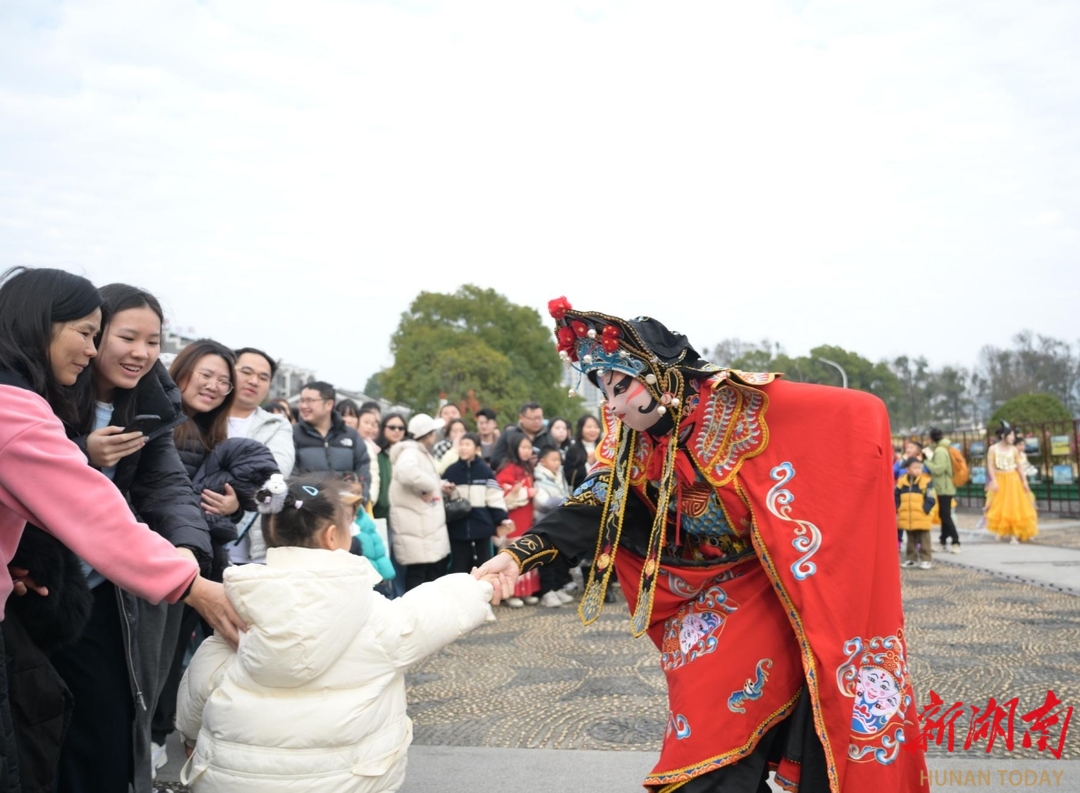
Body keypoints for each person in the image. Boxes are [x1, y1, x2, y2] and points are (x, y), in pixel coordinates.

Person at [474, 296, 927, 791]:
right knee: (705, 706)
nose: (612, 403)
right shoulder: (624, 437)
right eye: (604, 389)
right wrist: (518, 555)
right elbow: (598, 502)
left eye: (622, 386)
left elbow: (857, 415)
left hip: (767, 584)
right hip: (700, 594)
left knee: (719, 725)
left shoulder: (735, 404)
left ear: (660, 378)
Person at [0, 267, 244, 793]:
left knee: (95, 729)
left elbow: (166, 490)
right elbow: (90, 510)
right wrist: (191, 585)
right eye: (100, 334)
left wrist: (187, 553)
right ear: (41, 324)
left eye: (152, 342)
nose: (134, 351)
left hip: (99, 591)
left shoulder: (150, 409)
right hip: (49, 594)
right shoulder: (24, 405)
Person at [174, 474, 495, 793]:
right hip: (349, 780)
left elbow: (202, 677)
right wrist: (475, 587)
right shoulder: (369, 609)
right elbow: (426, 614)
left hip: (237, 780)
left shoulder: (239, 606)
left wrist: (190, 735)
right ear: (331, 537)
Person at [153, 340, 280, 759]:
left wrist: (233, 503)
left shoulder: (214, 432)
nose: (213, 386)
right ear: (183, 368)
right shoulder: (160, 420)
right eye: (206, 375)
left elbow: (257, 492)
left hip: (199, 559)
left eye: (222, 382)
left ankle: (166, 739)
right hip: (162, 558)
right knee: (160, 658)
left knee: (178, 657)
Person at [227, 347, 296, 566]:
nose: (254, 381)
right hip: (196, 539)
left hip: (250, 548)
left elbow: (276, 472)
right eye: (246, 372)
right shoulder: (202, 416)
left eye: (263, 377)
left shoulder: (276, 425)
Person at [389, 414, 452, 590]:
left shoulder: (417, 452)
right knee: (420, 576)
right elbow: (407, 472)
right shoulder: (411, 452)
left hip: (423, 525)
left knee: (427, 574)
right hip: (419, 526)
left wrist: (439, 486)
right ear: (428, 434)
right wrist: (431, 486)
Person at [442, 433, 514, 576]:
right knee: (459, 566)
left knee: (484, 566)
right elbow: (443, 496)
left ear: (476, 449)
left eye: (467, 444)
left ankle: (486, 596)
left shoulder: (485, 471)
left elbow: (494, 497)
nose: (463, 448)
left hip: (482, 527)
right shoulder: (451, 471)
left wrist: (502, 518)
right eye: (461, 444)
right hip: (458, 527)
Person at [293, 381, 371, 501]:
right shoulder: (292, 434)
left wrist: (361, 496)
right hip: (309, 511)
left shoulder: (351, 435)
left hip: (346, 510)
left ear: (329, 404)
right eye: (302, 400)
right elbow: (291, 476)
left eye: (310, 401)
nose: (303, 406)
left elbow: (363, 470)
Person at [495, 430, 540, 608]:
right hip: (515, 517)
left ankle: (526, 590)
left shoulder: (526, 468)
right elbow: (503, 493)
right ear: (515, 448)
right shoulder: (509, 468)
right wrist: (527, 492)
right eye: (523, 447)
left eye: (529, 447)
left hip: (526, 515)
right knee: (514, 553)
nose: (527, 451)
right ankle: (511, 592)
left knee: (525, 551)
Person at [533, 447, 575, 607]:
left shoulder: (560, 476)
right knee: (546, 558)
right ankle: (547, 591)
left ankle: (557, 588)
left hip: (560, 522)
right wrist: (566, 501)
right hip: (545, 523)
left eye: (558, 460)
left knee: (559, 557)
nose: (557, 463)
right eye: (553, 460)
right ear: (543, 462)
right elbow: (542, 502)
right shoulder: (538, 479)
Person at [985, 422, 1038, 544]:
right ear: (1004, 436)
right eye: (1011, 435)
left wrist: (1024, 481)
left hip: (1013, 479)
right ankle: (1001, 531)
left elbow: (1019, 466)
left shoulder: (1013, 449)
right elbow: (990, 466)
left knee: (1014, 505)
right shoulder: (993, 449)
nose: (1013, 438)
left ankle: (1014, 533)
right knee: (999, 505)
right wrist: (994, 480)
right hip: (1000, 477)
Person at [376, 413, 408, 597]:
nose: (396, 431)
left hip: (404, 515)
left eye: (400, 428)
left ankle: (401, 597)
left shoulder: (409, 454)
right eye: (392, 427)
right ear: (383, 429)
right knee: (385, 561)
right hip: (382, 514)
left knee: (401, 561)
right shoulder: (377, 453)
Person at [922, 428, 959, 554]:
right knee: (944, 515)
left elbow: (938, 469)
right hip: (943, 486)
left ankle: (955, 541)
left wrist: (926, 461)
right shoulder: (941, 449)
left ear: (932, 438)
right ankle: (943, 540)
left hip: (944, 487)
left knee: (946, 515)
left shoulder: (940, 451)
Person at [338, 399, 381, 505]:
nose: (348, 420)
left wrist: (368, 498)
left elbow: (371, 475)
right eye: (343, 415)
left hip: (358, 500)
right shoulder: (331, 442)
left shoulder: (365, 445)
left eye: (352, 416)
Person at [896, 457, 935, 569]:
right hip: (907, 516)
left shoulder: (926, 481)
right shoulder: (902, 482)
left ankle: (926, 559)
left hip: (922, 515)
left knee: (924, 539)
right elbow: (896, 496)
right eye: (915, 468)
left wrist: (925, 509)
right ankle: (911, 558)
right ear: (907, 469)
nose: (918, 470)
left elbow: (931, 497)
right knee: (910, 539)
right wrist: (899, 507)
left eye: (919, 467)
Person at [490, 402, 550, 470]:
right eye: (534, 418)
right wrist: (522, 462)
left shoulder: (547, 436)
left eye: (540, 418)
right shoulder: (509, 435)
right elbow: (495, 461)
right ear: (521, 418)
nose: (537, 421)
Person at [563, 414, 602, 490]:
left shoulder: (603, 447)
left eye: (596, 427)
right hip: (582, 492)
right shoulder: (573, 450)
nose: (593, 430)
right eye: (589, 427)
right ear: (581, 429)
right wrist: (588, 464)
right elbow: (569, 476)